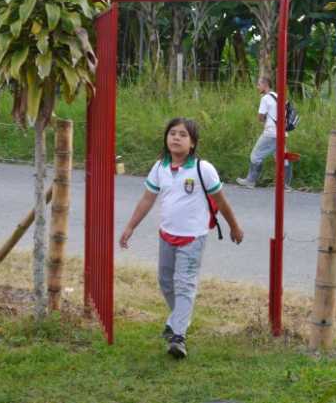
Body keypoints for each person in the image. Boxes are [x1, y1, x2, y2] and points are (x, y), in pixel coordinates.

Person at [119, 117, 244, 359]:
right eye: (172, 133)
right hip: (166, 235)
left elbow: (220, 201)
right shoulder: (159, 168)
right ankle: (177, 319)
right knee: (165, 281)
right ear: (166, 138)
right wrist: (130, 227)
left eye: (183, 135)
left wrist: (234, 227)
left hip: (192, 238)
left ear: (193, 143)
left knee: (184, 283)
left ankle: (178, 336)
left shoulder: (203, 169)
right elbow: (147, 200)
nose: (176, 138)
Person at [236, 77, 293, 190]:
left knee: (255, 155)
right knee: (282, 158)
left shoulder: (265, 98)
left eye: (259, 85)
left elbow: (260, 117)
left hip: (270, 133)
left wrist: (263, 119)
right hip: (282, 133)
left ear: (265, 85)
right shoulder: (279, 97)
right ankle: (285, 184)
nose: (257, 87)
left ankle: (250, 181)